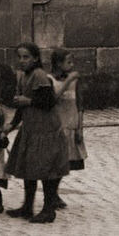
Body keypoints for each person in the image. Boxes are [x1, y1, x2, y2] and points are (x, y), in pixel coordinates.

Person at [3, 43, 69, 223]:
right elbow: (21, 106)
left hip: (46, 131)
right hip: (31, 129)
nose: (22, 61)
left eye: (26, 57)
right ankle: (27, 206)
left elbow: (48, 101)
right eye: (20, 57)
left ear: (36, 59)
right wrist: (13, 125)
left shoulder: (40, 75)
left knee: (46, 170)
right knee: (28, 169)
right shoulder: (24, 76)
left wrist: (28, 100)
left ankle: (48, 210)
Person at [50, 47, 87, 192]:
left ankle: (54, 192)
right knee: (55, 164)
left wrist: (80, 128)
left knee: (65, 164)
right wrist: (68, 81)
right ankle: (52, 193)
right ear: (59, 64)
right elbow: (53, 99)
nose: (72, 66)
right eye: (69, 62)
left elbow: (80, 105)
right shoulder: (50, 80)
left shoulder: (75, 81)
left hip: (71, 126)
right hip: (57, 127)